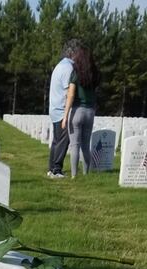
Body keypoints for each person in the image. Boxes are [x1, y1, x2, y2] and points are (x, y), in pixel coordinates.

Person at [61, 45, 99, 179]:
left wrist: (65, 116)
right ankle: (86, 174)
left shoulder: (75, 73)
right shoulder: (95, 74)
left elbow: (70, 95)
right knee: (85, 145)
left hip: (77, 111)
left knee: (75, 145)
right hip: (90, 112)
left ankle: (74, 176)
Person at [47, 39, 82, 179]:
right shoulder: (69, 68)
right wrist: (67, 115)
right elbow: (70, 93)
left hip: (54, 108)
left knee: (56, 140)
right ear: (73, 53)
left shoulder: (60, 65)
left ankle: (51, 168)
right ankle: (56, 170)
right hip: (62, 109)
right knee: (63, 140)